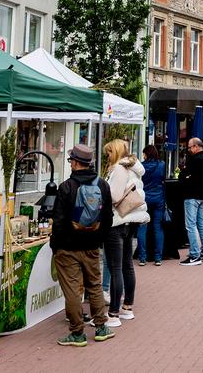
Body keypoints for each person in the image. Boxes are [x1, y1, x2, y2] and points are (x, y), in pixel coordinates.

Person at [50, 144, 115, 347]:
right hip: (92, 246)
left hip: (67, 247)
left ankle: (77, 333)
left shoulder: (66, 187)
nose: (70, 163)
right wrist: (97, 239)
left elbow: (58, 221)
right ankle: (101, 327)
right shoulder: (103, 185)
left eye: (71, 160)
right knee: (94, 285)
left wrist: (56, 245)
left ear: (76, 162)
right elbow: (108, 218)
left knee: (72, 290)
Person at [103, 139, 149, 327]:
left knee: (116, 268)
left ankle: (113, 313)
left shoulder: (119, 169)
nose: (106, 156)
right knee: (127, 265)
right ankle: (127, 307)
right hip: (132, 220)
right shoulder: (133, 168)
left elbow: (114, 195)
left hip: (117, 220)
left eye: (108, 153)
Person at [178, 137, 203, 265]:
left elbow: (186, 176)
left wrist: (183, 175)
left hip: (192, 195)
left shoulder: (195, 160)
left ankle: (194, 255)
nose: (189, 149)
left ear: (196, 146)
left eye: (190, 147)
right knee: (201, 224)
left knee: (190, 225)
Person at [135, 145, 166, 266]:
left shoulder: (141, 166)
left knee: (142, 227)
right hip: (158, 198)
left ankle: (142, 258)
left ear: (146, 154)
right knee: (158, 227)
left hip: (144, 199)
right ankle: (158, 258)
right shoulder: (162, 165)